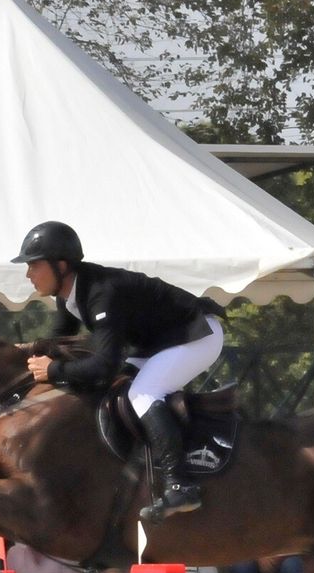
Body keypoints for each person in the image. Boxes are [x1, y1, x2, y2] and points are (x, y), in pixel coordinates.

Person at [16, 220, 225, 522]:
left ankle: (182, 485)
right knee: (118, 388)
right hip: (160, 342)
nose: (28, 274)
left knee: (144, 392)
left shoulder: (101, 293)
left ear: (60, 265)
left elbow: (103, 367)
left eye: (33, 265)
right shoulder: (69, 295)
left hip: (196, 335)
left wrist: (56, 370)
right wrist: (17, 355)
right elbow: (55, 345)